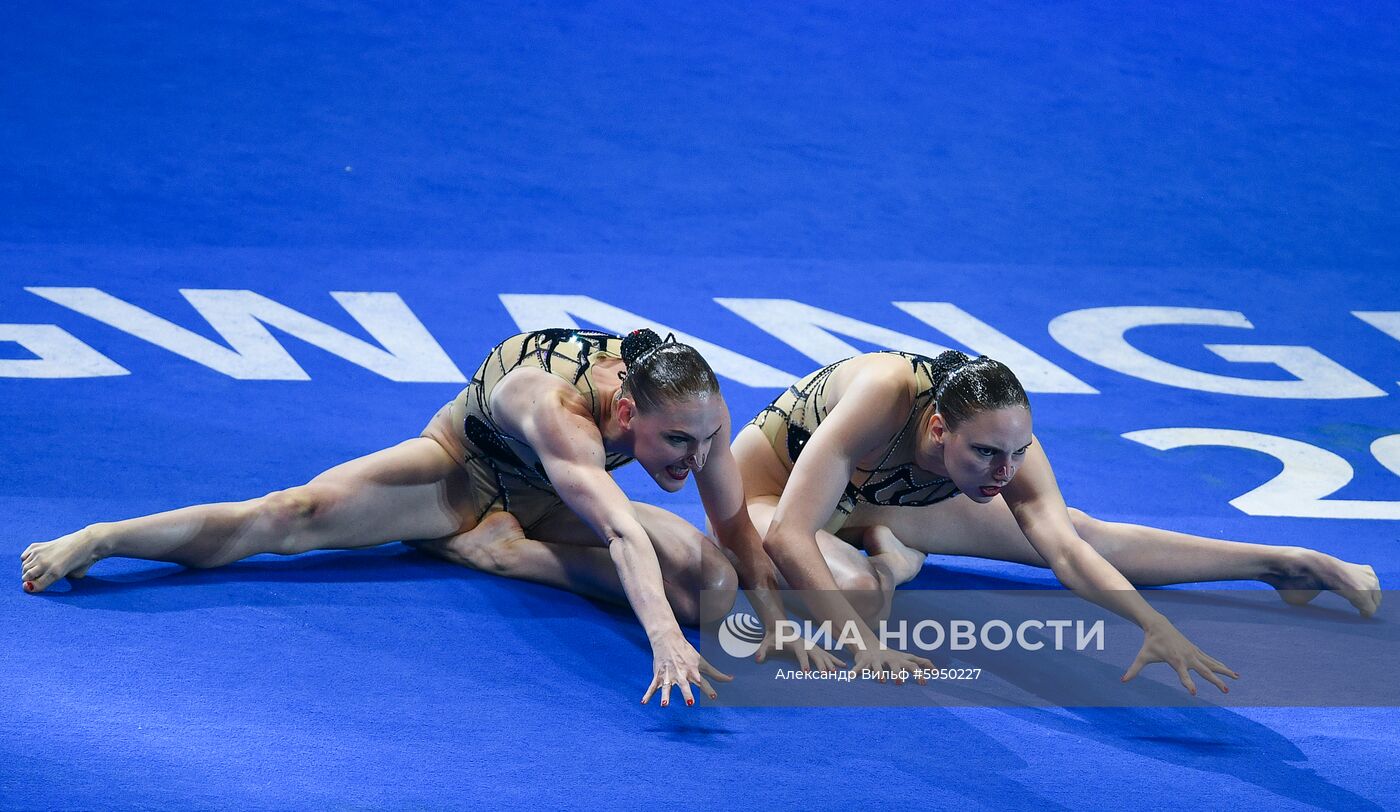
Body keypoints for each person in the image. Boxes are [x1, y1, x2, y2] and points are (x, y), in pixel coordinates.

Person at [23, 328, 762, 706]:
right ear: (627, 410)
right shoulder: (558, 406)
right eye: (676, 442)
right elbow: (620, 529)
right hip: (458, 477)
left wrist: (792, 613)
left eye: (707, 440)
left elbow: (734, 532)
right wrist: (662, 642)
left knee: (713, 589)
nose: (695, 457)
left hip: (556, 500)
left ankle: (497, 554)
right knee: (291, 513)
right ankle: (105, 536)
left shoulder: (692, 408)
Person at [728, 350, 1382, 695]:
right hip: (774, 494)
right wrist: (862, 648)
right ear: (937, 427)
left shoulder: (999, 441)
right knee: (859, 600)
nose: (1003, 472)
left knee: (1078, 527)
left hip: (886, 497)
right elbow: (789, 531)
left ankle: (1280, 564)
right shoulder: (883, 395)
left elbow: (1068, 552)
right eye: (986, 454)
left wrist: (1150, 624)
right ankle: (892, 559)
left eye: (1017, 453)